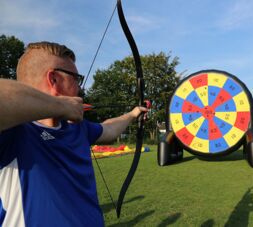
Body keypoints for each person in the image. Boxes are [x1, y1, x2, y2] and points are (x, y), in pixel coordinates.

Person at [0, 41, 148, 226]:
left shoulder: (78, 128)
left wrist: (133, 113)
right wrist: (62, 106)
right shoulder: (14, 132)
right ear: (53, 80)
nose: (79, 87)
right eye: (76, 78)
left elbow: (109, 129)